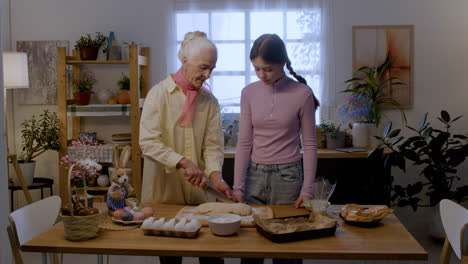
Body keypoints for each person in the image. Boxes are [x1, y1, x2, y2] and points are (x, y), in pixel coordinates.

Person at [139, 31, 232, 264]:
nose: (208, 74)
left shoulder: (210, 102)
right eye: (203, 67)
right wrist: (183, 162)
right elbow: (148, 142)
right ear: (184, 61)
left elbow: (213, 146)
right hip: (166, 191)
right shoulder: (158, 95)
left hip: (201, 192)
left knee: (211, 254)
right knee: (171, 257)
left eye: (212, 68)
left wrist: (216, 175)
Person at [232, 33, 320, 264]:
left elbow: (309, 145)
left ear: (282, 62)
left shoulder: (303, 94)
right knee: (251, 249)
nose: (262, 75)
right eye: (257, 69)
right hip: (255, 177)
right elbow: (243, 143)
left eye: (268, 69)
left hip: (288, 178)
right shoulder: (248, 93)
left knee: (287, 251)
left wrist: (307, 190)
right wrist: (238, 187)